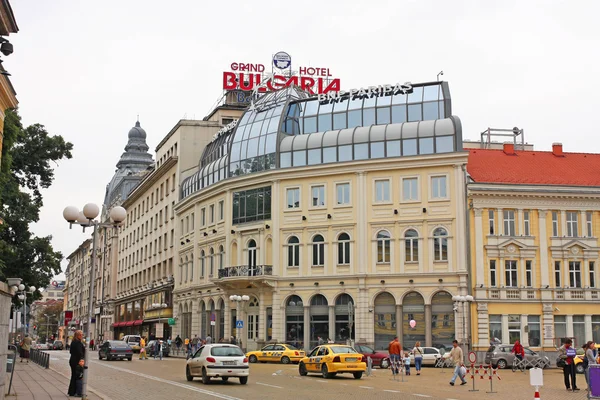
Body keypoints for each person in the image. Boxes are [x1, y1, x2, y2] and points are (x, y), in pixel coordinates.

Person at [68, 330, 85, 397]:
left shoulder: (73, 342)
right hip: (77, 362)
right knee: (77, 376)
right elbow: (79, 352)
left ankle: (71, 391)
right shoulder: (78, 343)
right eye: (81, 335)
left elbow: (71, 351)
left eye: (82, 334)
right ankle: (76, 392)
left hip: (72, 360)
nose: (82, 336)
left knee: (74, 376)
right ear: (77, 335)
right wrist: (82, 359)